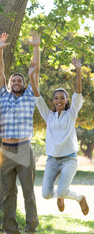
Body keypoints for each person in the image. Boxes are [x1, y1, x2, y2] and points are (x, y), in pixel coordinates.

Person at [0, 31, 40, 234]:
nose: (15, 82)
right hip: (6, 151)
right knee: (8, 195)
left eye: (19, 80)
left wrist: (35, 47)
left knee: (28, 193)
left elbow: (36, 70)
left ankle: (31, 231)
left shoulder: (30, 95)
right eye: (13, 80)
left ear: (24, 83)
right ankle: (11, 233)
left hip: (23, 149)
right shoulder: (3, 96)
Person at [28, 58, 89, 216]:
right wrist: (30, 76)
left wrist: (78, 70)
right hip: (52, 160)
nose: (59, 100)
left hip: (69, 159)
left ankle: (80, 198)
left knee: (62, 189)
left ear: (67, 100)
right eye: (56, 98)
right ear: (53, 101)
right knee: (46, 194)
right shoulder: (48, 116)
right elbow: (37, 97)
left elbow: (78, 92)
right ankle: (60, 197)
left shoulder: (71, 113)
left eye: (62, 98)